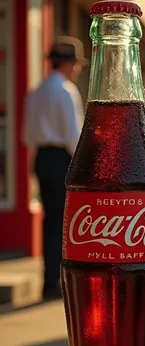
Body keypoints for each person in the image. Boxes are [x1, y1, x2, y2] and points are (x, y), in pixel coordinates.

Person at [22, 37, 87, 301]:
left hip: (42, 157)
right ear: (70, 64)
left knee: (50, 219)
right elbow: (74, 136)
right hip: (62, 158)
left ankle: (50, 280)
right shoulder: (66, 91)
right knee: (64, 222)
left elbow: (27, 134)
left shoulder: (36, 91)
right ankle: (60, 279)